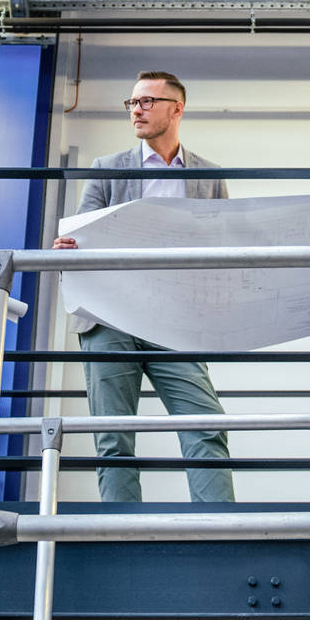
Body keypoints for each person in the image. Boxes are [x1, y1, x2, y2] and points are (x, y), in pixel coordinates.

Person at [53, 71, 236, 503]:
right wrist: (69, 244)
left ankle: (223, 530)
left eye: (148, 101)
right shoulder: (105, 168)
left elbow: (230, 242)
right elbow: (84, 228)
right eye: (132, 102)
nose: (137, 109)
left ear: (177, 108)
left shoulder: (209, 175)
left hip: (175, 318)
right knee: (112, 436)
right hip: (110, 316)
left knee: (205, 425)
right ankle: (120, 535)